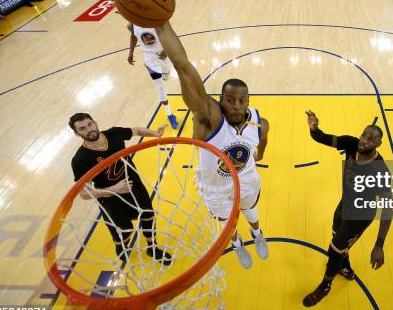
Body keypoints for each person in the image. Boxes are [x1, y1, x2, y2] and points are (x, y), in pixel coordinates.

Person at [154, 21, 270, 270]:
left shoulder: (260, 122)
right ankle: (237, 244)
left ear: (249, 100)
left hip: (247, 178)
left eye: (242, 100)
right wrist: (161, 24)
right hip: (215, 186)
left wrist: (259, 154)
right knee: (228, 224)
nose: (237, 105)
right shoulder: (210, 118)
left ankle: (257, 234)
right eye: (230, 100)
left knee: (251, 211)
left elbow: (264, 139)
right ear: (220, 101)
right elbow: (183, 65)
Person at [302, 111, 392, 307]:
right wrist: (314, 128)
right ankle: (346, 267)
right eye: (364, 135)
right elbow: (323, 138)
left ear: (378, 144)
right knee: (337, 239)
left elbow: (388, 209)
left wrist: (379, 245)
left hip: (360, 216)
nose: (365, 141)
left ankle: (325, 285)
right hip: (344, 204)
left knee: (334, 249)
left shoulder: (379, 169)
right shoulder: (351, 144)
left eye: (371, 139)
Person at [69, 113, 172, 264]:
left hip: (134, 187)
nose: (89, 130)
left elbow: (136, 131)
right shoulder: (80, 159)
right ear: (77, 133)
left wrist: (155, 134)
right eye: (82, 129)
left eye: (90, 124)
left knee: (148, 217)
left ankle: (153, 248)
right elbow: (84, 194)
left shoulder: (114, 133)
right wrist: (114, 189)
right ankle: (121, 248)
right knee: (125, 231)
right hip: (111, 198)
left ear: (95, 122)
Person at [127, 23, 179, 130]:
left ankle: (165, 75)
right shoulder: (131, 25)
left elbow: (169, 36)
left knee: (166, 77)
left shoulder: (156, 21)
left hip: (163, 57)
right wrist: (130, 53)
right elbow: (133, 37)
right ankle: (170, 115)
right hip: (150, 60)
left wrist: (166, 50)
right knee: (160, 86)